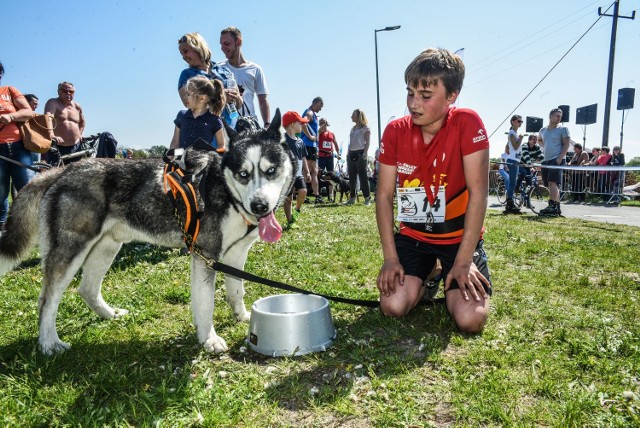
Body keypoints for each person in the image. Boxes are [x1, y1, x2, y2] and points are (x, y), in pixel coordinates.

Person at [376, 48, 491, 333]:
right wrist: (391, 259)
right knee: (393, 306)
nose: (414, 104)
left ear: (451, 96)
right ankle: (429, 273)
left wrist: (464, 262)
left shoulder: (467, 122)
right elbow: (383, 196)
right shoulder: (395, 131)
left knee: (470, 319)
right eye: (410, 93)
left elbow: (479, 193)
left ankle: (450, 267)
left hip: (458, 240)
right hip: (414, 237)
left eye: (425, 96)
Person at [0, 61, 36, 231]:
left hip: (19, 145)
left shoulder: (9, 90)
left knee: (26, 186)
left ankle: (29, 224)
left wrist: (11, 117)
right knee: (1, 190)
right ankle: (2, 226)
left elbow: (28, 112)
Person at [177, 32, 241, 125]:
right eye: (181, 53)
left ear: (197, 47)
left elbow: (239, 104)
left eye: (185, 51)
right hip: (207, 132)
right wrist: (221, 98)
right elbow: (188, 104)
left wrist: (237, 98)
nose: (183, 57)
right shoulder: (187, 75)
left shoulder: (224, 70)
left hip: (233, 131)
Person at [219, 27, 271, 128]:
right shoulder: (218, 69)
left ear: (238, 42)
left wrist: (267, 124)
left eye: (226, 43)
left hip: (250, 125)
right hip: (226, 126)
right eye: (221, 45)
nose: (222, 48)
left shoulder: (255, 69)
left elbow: (263, 100)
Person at [170, 76, 226, 152]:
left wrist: (213, 158)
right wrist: (169, 161)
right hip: (181, 161)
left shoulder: (214, 120)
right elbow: (175, 143)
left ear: (202, 98)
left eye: (188, 94)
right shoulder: (182, 115)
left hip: (203, 161)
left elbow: (221, 145)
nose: (185, 97)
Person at [537, 108, 570, 216]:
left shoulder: (563, 129)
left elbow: (566, 144)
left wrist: (560, 158)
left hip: (557, 159)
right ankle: (557, 207)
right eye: (557, 115)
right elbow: (539, 140)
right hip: (546, 159)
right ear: (550, 116)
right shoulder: (543, 130)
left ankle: (552, 205)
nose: (559, 118)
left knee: (552, 182)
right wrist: (545, 146)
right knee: (549, 184)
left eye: (560, 116)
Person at [281, 111, 311, 230]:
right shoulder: (282, 140)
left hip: (298, 174)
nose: (302, 125)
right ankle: (290, 221)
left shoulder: (300, 141)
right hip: (287, 175)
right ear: (293, 124)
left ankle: (297, 211)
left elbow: (303, 157)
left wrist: (307, 171)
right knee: (288, 198)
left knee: (303, 191)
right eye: (300, 123)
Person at [44, 82, 86, 161]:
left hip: (76, 147)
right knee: (55, 172)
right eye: (64, 91)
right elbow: (48, 117)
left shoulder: (77, 106)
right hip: (58, 147)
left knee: (76, 172)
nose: (68, 93)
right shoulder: (53, 102)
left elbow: (82, 122)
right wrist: (51, 134)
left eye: (71, 91)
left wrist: (80, 134)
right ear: (58, 92)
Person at [345, 109, 372, 206]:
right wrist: (348, 153)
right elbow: (350, 143)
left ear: (359, 116)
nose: (351, 117)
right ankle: (352, 198)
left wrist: (365, 153)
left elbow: (368, 142)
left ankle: (367, 198)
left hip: (361, 153)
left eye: (353, 115)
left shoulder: (365, 128)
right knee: (351, 177)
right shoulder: (352, 129)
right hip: (351, 153)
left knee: (363, 177)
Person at [300, 97, 324, 203]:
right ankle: (302, 195)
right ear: (317, 103)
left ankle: (317, 195)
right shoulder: (309, 112)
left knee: (315, 171)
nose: (321, 109)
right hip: (308, 145)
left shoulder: (314, 114)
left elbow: (315, 132)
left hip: (313, 146)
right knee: (307, 170)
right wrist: (309, 136)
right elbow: (303, 123)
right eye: (321, 106)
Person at [504, 115, 524, 214]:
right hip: (513, 160)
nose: (520, 123)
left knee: (513, 183)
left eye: (521, 121)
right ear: (513, 122)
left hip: (515, 160)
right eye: (518, 121)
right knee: (512, 183)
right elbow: (515, 147)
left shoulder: (514, 133)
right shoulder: (512, 133)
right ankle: (509, 203)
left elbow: (510, 147)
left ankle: (510, 202)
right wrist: (520, 138)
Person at [317, 118, 340, 201]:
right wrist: (323, 125)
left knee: (331, 176)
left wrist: (338, 154)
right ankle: (318, 196)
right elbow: (318, 132)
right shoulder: (319, 132)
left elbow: (336, 143)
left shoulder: (332, 134)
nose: (323, 124)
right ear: (319, 124)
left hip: (330, 156)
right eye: (321, 122)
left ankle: (331, 196)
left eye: (324, 122)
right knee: (319, 175)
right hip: (322, 155)